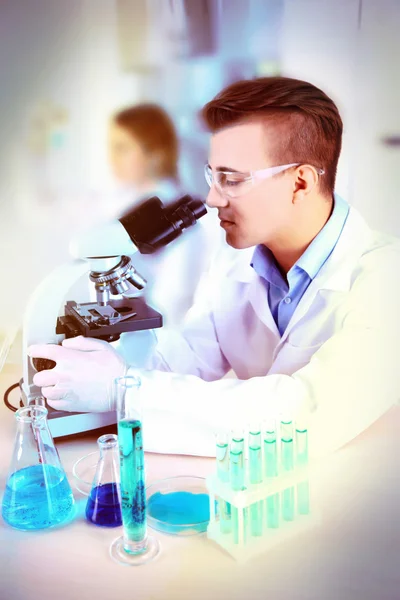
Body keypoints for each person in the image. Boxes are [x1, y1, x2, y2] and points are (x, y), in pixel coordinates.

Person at [29, 77, 400, 458]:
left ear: (300, 183)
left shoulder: (388, 281)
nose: (211, 198)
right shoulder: (237, 257)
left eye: (232, 179)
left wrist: (124, 387)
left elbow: (306, 413)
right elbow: (191, 353)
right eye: (212, 175)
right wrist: (107, 366)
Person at [97, 103, 217, 328]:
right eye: (111, 146)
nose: (111, 157)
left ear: (155, 154)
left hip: (160, 339)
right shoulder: (123, 202)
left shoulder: (179, 218)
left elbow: (173, 304)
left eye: (122, 147)